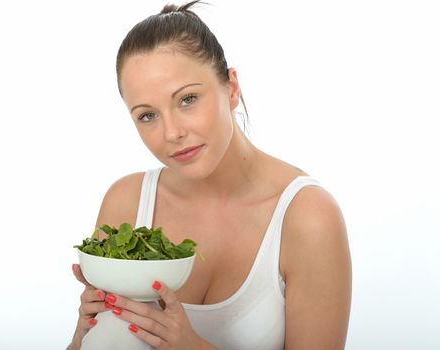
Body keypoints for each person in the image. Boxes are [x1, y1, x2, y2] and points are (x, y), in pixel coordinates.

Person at [69, 1, 352, 349]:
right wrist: (85, 333)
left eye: (187, 99)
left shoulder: (307, 218)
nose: (172, 132)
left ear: (231, 88)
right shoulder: (126, 203)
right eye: (147, 115)